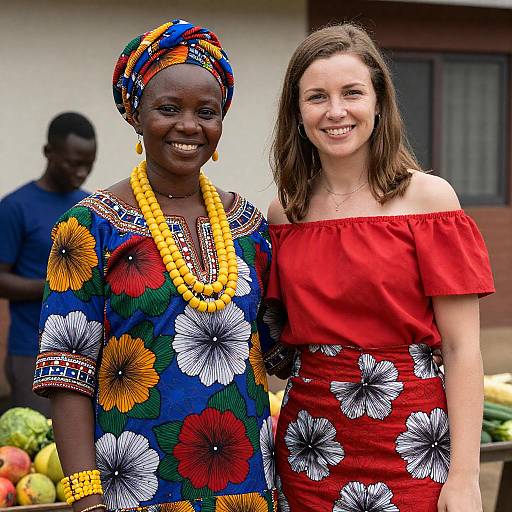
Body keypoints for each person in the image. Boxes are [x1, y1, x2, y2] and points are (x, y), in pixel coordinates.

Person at [32, 20, 277, 512]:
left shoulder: (250, 227)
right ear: (136, 115)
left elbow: (278, 351)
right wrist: (87, 499)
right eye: (169, 109)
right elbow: (66, 377)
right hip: (134, 490)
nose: (189, 126)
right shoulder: (89, 228)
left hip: (249, 491)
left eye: (206, 112)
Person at [265, 24, 494, 512]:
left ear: (379, 100)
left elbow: (462, 348)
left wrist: (466, 477)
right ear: (297, 112)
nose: (336, 111)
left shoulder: (429, 201)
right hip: (310, 445)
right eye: (316, 97)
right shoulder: (285, 213)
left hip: (414, 443)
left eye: (352, 93)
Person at [0, 112, 96, 416]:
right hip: (31, 352)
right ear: (48, 153)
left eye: (88, 164)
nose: (81, 173)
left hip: (86, 351)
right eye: (73, 163)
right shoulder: (15, 207)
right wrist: (57, 286)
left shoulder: (90, 209)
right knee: (37, 449)